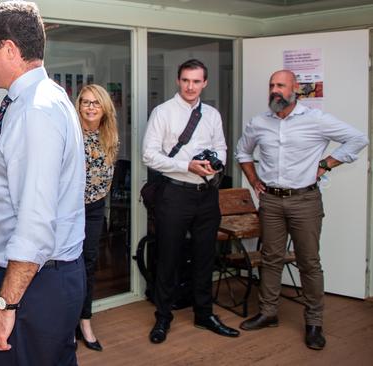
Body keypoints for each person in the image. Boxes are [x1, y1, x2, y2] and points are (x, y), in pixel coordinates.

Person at [0, 2, 86, 365]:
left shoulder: (35, 109)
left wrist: (6, 305)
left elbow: (35, 223)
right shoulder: (40, 100)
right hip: (42, 277)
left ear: (9, 49)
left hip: (36, 284)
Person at [235, 69, 368, 350]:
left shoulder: (315, 120)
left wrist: (325, 164)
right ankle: (268, 313)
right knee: (271, 258)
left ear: (295, 88)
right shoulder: (259, 122)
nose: (275, 90)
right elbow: (242, 152)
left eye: (281, 85)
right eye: (272, 85)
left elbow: (358, 138)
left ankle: (314, 323)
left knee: (309, 262)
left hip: (305, 201)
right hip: (270, 201)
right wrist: (254, 180)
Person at [142, 59, 240, 344]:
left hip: (207, 195)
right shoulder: (163, 112)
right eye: (186, 80)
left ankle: (204, 313)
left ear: (204, 83)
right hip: (174, 193)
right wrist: (187, 166)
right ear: (178, 80)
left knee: (204, 256)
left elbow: (221, 146)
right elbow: (149, 155)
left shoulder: (211, 114)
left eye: (196, 81)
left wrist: (216, 164)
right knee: (168, 256)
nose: (190, 86)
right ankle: (163, 317)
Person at [74, 84, 119, 352]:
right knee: (67, 266)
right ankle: (67, 326)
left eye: (96, 103)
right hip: (68, 210)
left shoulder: (109, 135)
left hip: (94, 209)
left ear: (104, 108)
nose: (90, 107)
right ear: (78, 105)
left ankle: (85, 321)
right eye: (86, 102)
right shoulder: (70, 133)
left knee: (88, 265)